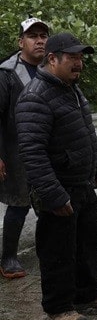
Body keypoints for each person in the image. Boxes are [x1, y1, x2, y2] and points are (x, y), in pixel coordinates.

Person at [16, 32, 97, 320]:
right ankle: (59, 306)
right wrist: (53, 195)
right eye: (72, 57)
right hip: (58, 188)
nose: (79, 63)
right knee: (57, 250)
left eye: (80, 58)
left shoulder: (71, 89)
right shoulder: (35, 96)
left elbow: (84, 133)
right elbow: (32, 152)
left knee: (88, 243)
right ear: (52, 59)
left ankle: (86, 293)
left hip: (81, 184)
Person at [0, 17, 50, 279]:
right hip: (15, 150)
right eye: (33, 36)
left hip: (45, 150)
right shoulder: (6, 73)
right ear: (21, 42)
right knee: (18, 204)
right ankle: (8, 258)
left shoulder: (50, 70)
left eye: (43, 36)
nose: (39, 41)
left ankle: (48, 252)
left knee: (49, 203)